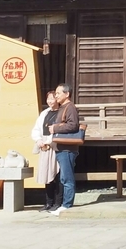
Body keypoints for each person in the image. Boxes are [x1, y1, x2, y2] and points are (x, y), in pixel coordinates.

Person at [49, 83, 80, 215]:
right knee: (63, 177)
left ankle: (67, 205)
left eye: (58, 93)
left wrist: (55, 128)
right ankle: (64, 204)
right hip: (61, 147)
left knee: (67, 177)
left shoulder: (70, 107)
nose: (56, 96)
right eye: (55, 93)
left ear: (67, 94)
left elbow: (73, 126)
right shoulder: (63, 108)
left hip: (67, 148)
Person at [31, 89, 60, 212]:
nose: (50, 101)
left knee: (56, 175)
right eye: (48, 99)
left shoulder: (61, 113)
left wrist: (49, 141)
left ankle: (58, 202)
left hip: (55, 146)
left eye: (52, 98)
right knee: (46, 174)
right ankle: (48, 202)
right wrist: (38, 140)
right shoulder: (44, 113)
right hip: (44, 147)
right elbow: (37, 129)